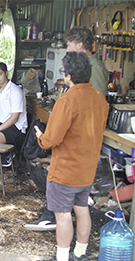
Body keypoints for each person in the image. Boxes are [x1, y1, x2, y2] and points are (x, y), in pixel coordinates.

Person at [25, 26, 109, 231]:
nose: (68, 49)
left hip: (78, 144)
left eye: (69, 45)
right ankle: (57, 220)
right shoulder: (86, 67)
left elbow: (90, 104)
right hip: (77, 143)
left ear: (80, 45)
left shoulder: (93, 67)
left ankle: (54, 219)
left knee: (67, 191)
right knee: (76, 202)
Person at [33, 52, 109, 261]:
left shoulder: (66, 101)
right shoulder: (100, 99)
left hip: (65, 169)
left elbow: (52, 140)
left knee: (63, 214)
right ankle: (80, 255)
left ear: (68, 76)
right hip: (87, 169)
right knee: (82, 208)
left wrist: (40, 135)